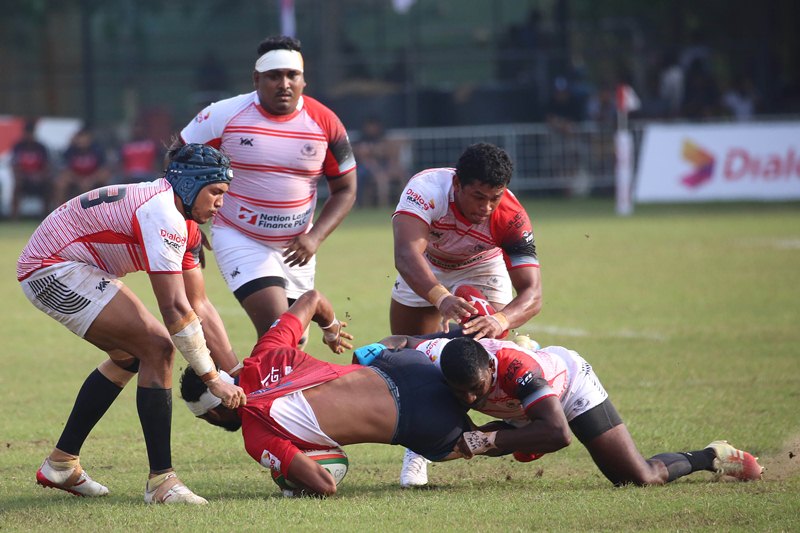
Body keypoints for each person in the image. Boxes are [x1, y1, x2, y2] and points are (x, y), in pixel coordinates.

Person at [18, 143, 247, 504]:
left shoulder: (184, 222)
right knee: (157, 347)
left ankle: (61, 464)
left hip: (71, 266)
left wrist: (236, 370)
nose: (221, 203)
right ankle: (162, 483)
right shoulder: (163, 214)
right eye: (216, 192)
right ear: (189, 185)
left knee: (132, 355)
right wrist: (212, 378)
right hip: (49, 268)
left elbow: (198, 303)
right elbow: (174, 309)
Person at [180, 289, 473, 497]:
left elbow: (324, 484)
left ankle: (508, 436)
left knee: (480, 440)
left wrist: (290, 483)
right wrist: (331, 329)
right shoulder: (266, 350)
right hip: (405, 363)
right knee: (374, 352)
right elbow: (313, 299)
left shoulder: (256, 436)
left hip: (422, 422)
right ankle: (479, 329)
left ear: (215, 412)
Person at [384, 332, 764, 487]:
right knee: (459, 440)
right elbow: (402, 341)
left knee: (639, 479)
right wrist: (371, 354)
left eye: (476, 390)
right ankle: (518, 435)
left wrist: (483, 440)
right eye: (459, 392)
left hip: (566, 391)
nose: (468, 398)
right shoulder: (437, 357)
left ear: (488, 370)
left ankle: (711, 455)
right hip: (521, 408)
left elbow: (559, 434)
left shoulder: (516, 370)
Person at [173, 35, 357, 343]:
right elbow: (175, 159)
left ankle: (225, 391)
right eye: (274, 76)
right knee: (277, 328)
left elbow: (346, 189)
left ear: (303, 80)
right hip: (240, 235)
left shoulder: (327, 123)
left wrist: (314, 237)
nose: (283, 83)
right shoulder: (223, 114)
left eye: (291, 75)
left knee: (293, 343)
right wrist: (188, 223)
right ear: (257, 79)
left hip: (298, 246)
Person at [390, 143, 542, 485]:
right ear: (457, 184)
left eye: (495, 198)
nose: (486, 208)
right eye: (478, 197)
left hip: (481, 268)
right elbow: (405, 255)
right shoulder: (426, 191)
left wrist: (500, 320)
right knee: (411, 364)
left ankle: (517, 413)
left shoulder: (512, 217)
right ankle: (419, 447)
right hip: (426, 266)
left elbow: (533, 294)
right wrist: (441, 298)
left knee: (484, 352)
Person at [352, 116, 407, 208]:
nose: (372, 128)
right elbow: (363, 156)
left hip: (384, 167)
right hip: (367, 168)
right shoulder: (362, 139)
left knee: (402, 175)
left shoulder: (382, 137)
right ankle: (382, 205)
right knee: (379, 179)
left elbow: (389, 153)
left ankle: (405, 205)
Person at [53, 126, 112, 207]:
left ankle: (105, 209)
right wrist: (79, 180)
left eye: (84, 138)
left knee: (105, 179)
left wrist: (91, 180)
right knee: (61, 183)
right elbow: (65, 170)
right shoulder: (70, 150)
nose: (82, 141)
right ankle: (61, 209)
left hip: (92, 178)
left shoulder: (97, 150)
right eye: (80, 138)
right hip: (75, 178)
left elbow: (103, 170)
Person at [10, 118, 51, 219]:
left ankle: (46, 217)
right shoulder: (18, 147)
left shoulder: (41, 147)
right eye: (27, 133)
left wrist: (39, 176)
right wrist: (25, 176)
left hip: (39, 179)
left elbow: (47, 166)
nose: (29, 136)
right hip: (24, 179)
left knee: (49, 186)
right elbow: (15, 165)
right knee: (17, 187)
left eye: (31, 133)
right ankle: (14, 218)